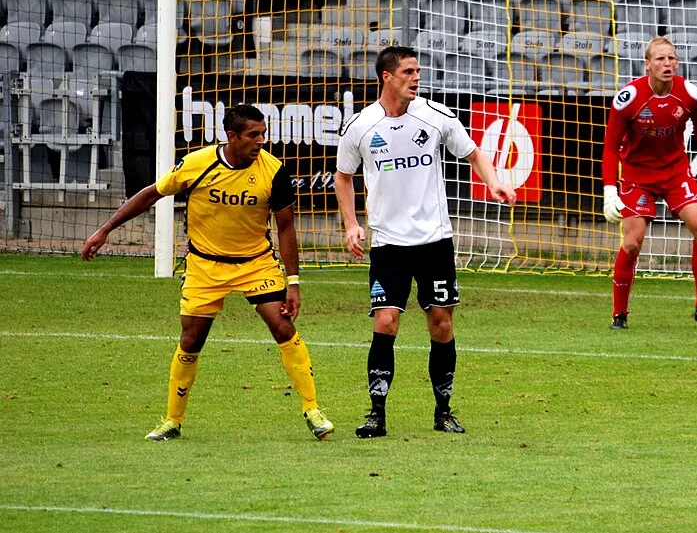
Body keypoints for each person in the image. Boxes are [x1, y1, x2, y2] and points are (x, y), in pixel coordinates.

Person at [81, 104, 334, 442]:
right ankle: (172, 421)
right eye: (253, 135)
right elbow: (151, 194)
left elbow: (286, 228)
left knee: (282, 325)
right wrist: (105, 229)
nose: (261, 141)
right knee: (191, 339)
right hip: (204, 265)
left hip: (254, 263)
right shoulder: (198, 164)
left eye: (263, 134)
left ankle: (313, 410)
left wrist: (293, 283)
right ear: (232, 136)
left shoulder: (273, 171)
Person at [336, 45, 516, 439]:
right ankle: (376, 414)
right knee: (386, 321)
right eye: (408, 71)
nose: (416, 77)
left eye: (418, 71)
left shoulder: (436, 117)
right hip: (388, 244)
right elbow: (344, 176)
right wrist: (351, 225)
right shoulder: (361, 126)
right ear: (387, 76)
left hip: (434, 240)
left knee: (441, 324)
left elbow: (472, 153)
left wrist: (496, 182)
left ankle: (444, 412)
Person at [602, 36, 697, 330]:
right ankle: (620, 314)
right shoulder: (628, 98)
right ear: (647, 65)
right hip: (637, 176)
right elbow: (610, 146)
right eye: (660, 59)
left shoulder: (690, 95)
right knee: (632, 243)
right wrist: (609, 191)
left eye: (671, 58)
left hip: (675, 172)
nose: (667, 63)